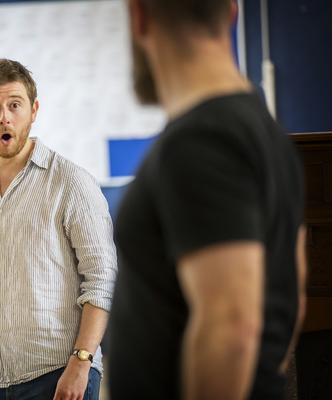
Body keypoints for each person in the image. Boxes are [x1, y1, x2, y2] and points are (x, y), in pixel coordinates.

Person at [108, 0, 306, 399]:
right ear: (232, 12)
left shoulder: (200, 141)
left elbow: (233, 326)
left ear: (139, 15)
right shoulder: (264, 131)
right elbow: (293, 296)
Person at [0, 58, 118, 400]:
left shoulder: (71, 183)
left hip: (61, 373)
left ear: (33, 110)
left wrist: (82, 361)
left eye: (15, 105)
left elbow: (102, 279)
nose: (4, 117)